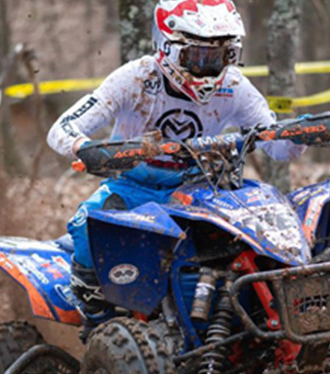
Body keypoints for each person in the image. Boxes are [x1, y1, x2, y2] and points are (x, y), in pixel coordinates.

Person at [47, 0, 306, 327]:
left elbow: (279, 148)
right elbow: (62, 127)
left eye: (222, 56)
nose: (209, 69)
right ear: (166, 47)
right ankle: (99, 328)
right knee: (88, 228)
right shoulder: (136, 78)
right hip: (133, 186)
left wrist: (298, 135)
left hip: (202, 188)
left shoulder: (234, 86)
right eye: (197, 57)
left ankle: (253, 318)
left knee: (253, 239)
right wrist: (84, 146)